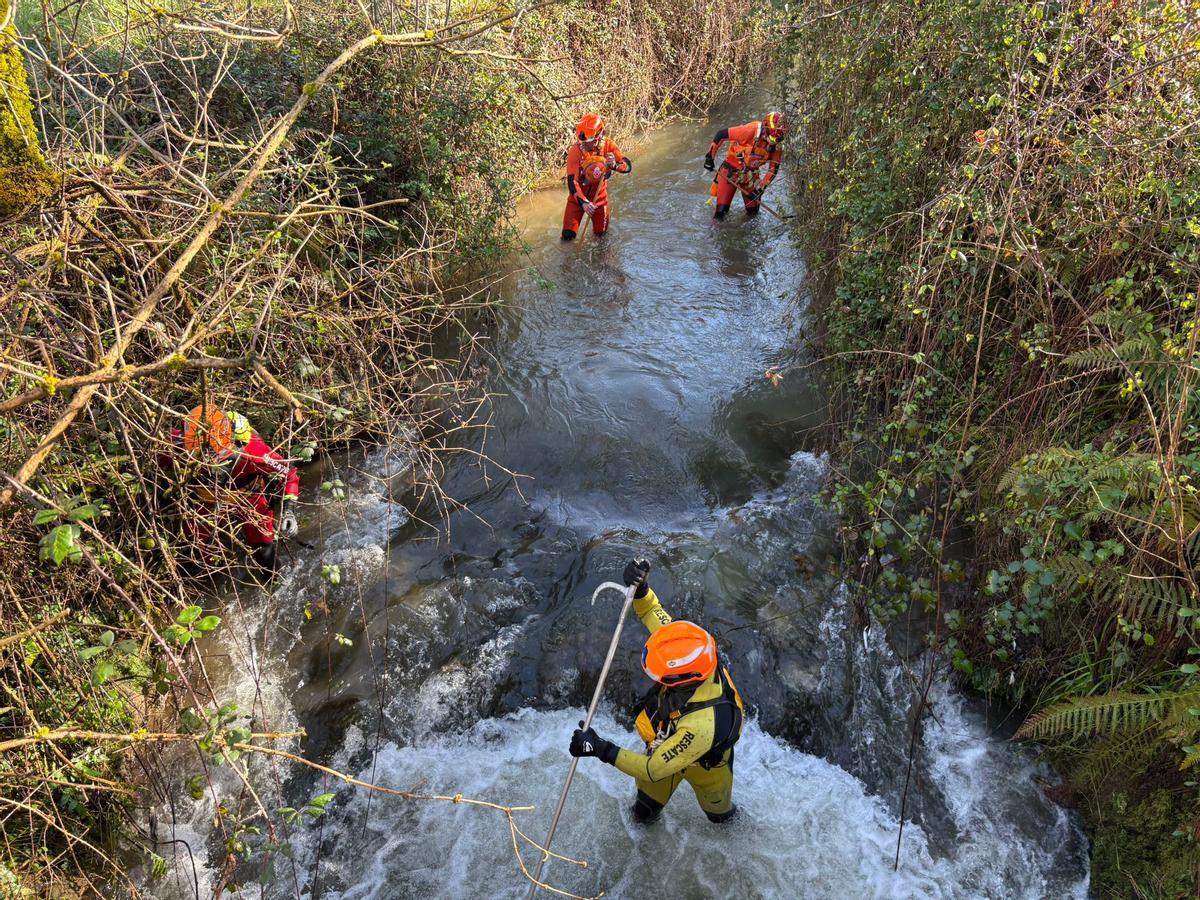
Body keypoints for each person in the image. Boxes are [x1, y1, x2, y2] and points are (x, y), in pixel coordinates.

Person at [568, 559, 744, 824]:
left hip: (707, 769)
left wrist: (600, 748)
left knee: (720, 817)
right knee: (643, 813)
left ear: (683, 679)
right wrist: (641, 590)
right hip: (664, 740)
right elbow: (653, 611)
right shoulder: (688, 648)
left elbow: (652, 769)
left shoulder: (702, 725)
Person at [166, 405, 300, 570]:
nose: (209, 462)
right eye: (201, 456)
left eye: (215, 456)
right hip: (208, 498)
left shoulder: (253, 451)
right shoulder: (180, 443)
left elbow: (290, 473)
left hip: (249, 497)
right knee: (193, 554)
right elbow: (160, 451)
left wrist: (289, 511)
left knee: (264, 555)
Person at [703, 111, 786, 220]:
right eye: (770, 139)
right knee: (721, 213)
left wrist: (759, 191)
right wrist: (710, 157)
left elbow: (772, 171)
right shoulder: (749, 131)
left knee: (753, 214)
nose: (771, 143)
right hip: (731, 171)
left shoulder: (777, 146)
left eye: (775, 140)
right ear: (765, 128)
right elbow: (721, 135)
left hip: (751, 175)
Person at [561, 113, 632, 241]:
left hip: (600, 199)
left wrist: (615, 165)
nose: (583, 145)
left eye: (587, 142)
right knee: (567, 236)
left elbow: (627, 167)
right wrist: (583, 203)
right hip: (577, 200)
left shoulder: (609, 146)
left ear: (598, 136)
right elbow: (572, 182)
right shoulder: (575, 152)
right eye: (581, 141)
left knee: (601, 238)